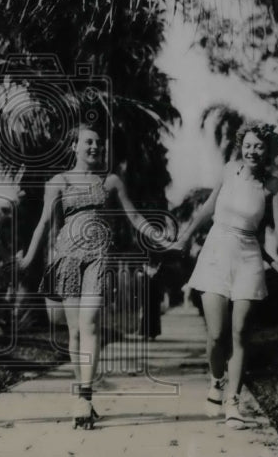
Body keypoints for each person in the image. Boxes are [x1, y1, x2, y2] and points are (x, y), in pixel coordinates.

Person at [17, 122, 173, 428]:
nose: (95, 147)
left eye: (99, 143)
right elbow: (44, 223)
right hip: (67, 259)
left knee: (89, 324)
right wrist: (29, 257)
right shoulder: (58, 181)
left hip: (99, 259)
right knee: (75, 332)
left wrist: (163, 240)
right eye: (88, 142)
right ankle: (82, 394)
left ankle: (85, 395)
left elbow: (134, 217)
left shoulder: (111, 181)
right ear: (74, 146)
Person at [174, 122, 278, 429]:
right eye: (248, 145)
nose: (252, 151)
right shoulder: (229, 171)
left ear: (268, 152)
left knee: (241, 332)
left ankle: (233, 401)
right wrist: (186, 236)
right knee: (217, 335)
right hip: (215, 254)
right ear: (241, 146)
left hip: (248, 259)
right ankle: (217, 380)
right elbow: (208, 208)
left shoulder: (273, 186)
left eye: (259, 146)